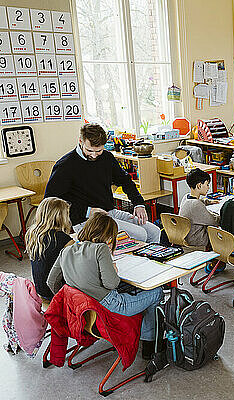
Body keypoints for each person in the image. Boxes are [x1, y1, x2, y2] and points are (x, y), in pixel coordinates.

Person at [47, 213, 163, 360]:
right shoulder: (101, 249)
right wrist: (113, 269)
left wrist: (73, 297)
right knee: (156, 291)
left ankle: (147, 336)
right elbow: (112, 283)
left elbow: (51, 281)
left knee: (135, 291)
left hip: (85, 313)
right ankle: (149, 343)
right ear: (109, 237)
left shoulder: (66, 251)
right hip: (111, 308)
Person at [45, 123, 161, 243]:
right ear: (80, 141)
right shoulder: (65, 165)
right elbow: (50, 202)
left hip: (109, 212)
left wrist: (138, 204)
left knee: (154, 232)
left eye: (99, 151)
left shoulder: (107, 158)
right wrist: (87, 211)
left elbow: (125, 180)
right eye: (89, 150)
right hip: (84, 220)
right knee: (140, 234)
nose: (94, 155)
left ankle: (152, 261)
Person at [25, 197, 73, 301]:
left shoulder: (32, 233)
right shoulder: (63, 239)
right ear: (61, 217)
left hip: (40, 289)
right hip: (55, 291)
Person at [178, 168, 219, 249]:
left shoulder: (186, 197)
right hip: (197, 241)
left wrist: (208, 202)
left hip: (186, 236)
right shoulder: (196, 205)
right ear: (199, 185)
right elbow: (214, 221)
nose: (208, 188)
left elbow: (199, 201)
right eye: (207, 184)